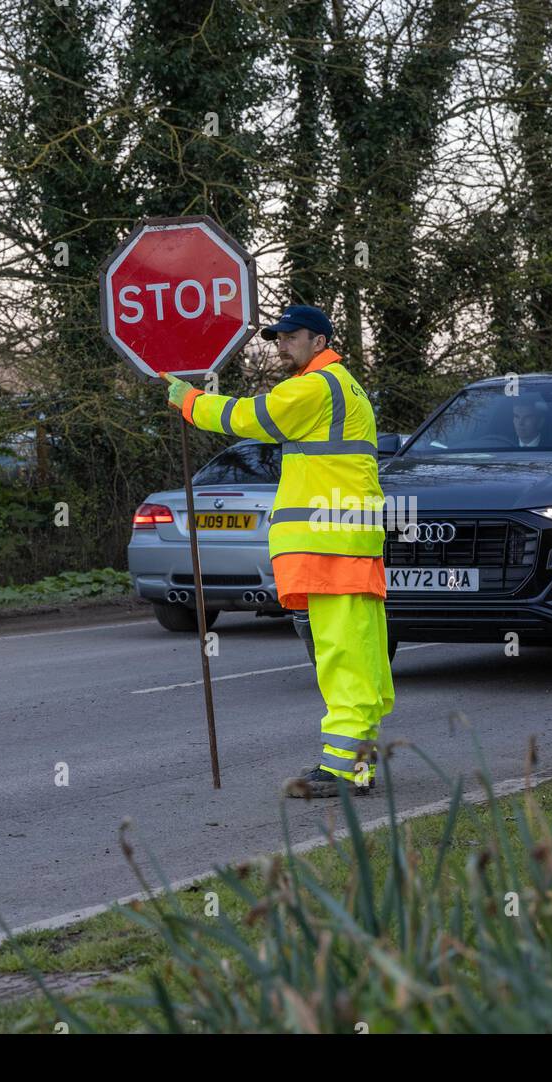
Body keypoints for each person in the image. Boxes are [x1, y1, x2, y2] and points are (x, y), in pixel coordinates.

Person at [163, 305, 394, 798]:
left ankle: (342, 769)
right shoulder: (339, 386)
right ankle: (357, 763)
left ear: (318, 339)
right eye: (278, 338)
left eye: (291, 337)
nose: (282, 345)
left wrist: (192, 402)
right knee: (359, 657)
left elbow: (252, 416)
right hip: (343, 542)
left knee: (342, 658)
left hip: (331, 544)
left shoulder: (319, 384)